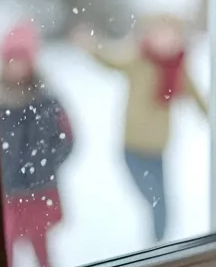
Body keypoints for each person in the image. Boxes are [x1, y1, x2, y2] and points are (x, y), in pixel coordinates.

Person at [74, 15, 207, 243]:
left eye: (170, 35)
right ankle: (153, 253)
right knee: (154, 199)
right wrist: (91, 47)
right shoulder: (138, 60)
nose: (165, 40)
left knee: (162, 207)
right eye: (160, 34)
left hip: (158, 150)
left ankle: (156, 249)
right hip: (132, 148)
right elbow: (111, 60)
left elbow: (197, 98)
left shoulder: (179, 68)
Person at [0, 22, 73, 267]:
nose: (16, 66)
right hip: (6, 190)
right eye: (11, 60)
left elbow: (68, 137)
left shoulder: (46, 100)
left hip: (38, 187)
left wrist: (48, 162)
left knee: (39, 239)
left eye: (21, 59)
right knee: (4, 242)